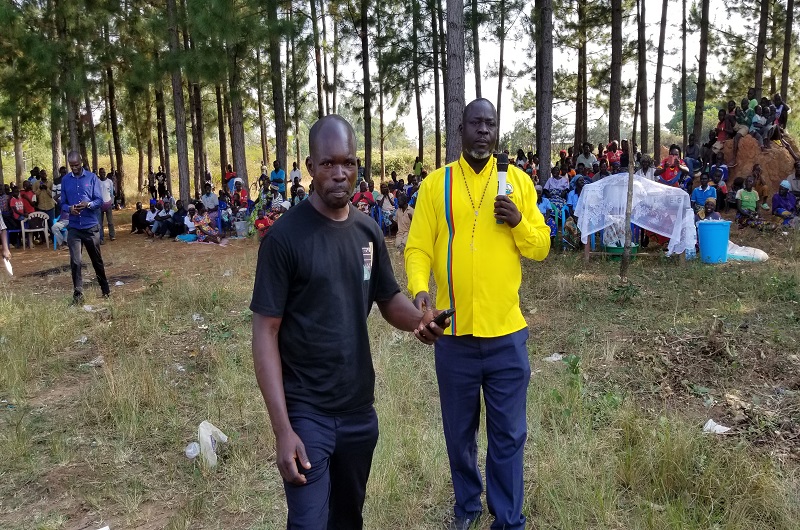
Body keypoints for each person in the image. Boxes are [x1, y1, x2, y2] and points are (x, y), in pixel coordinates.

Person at [251, 114, 445, 529]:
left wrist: (420, 322)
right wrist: (283, 429)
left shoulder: (368, 232)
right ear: (309, 166)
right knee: (308, 523)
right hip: (307, 412)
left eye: (349, 163)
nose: (340, 174)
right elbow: (265, 332)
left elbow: (388, 296)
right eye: (328, 163)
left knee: (348, 519)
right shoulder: (284, 240)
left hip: (359, 412)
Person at [405, 98, 551, 530]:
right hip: (454, 336)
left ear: (496, 130)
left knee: (508, 435)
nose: (483, 130)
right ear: (462, 128)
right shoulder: (437, 184)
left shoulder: (518, 183)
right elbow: (417, 247)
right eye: (476, 123)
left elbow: (540, 246)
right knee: (459, 434)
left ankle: (507, 519)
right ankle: (467, 507)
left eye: (490, 123)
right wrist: (420, 294)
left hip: (507, 333)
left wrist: (520, 221)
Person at [61, 151, 110, 304]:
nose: (74, 168)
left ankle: (105, 289)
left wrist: (87, 204)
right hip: (74, 227)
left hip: (90, 226)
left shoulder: (91, 178)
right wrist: (70, 209)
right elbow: (62, 203)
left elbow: (99, 200)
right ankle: (78, 295)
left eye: (76, 165)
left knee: (96, 260)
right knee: (75, 262)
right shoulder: (65, 180)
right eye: (71, 166)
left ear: (81, 162)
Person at [96, 168, 116, 243]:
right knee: (100, 222)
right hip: (100, 205)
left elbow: (112, 193)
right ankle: (101, 238)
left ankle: (112, 235)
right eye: (101, 172)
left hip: (108, 203)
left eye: (104, 172)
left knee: (110, 221)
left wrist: (112, 202)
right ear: (99, 173)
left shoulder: (109, 181)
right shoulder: (97, 182)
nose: (102, 174)